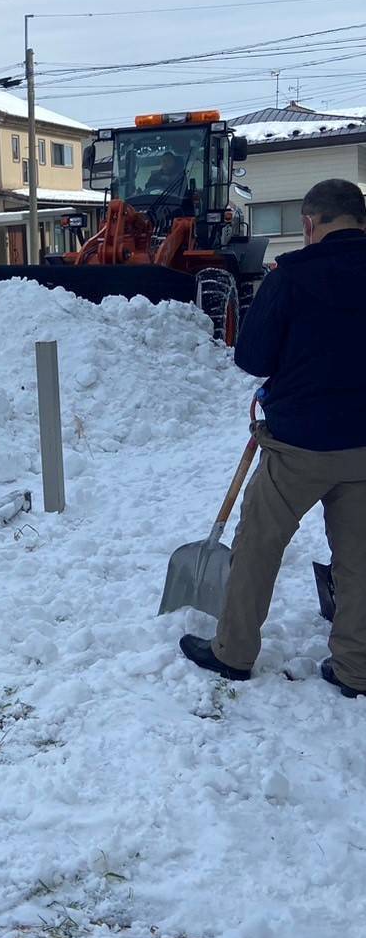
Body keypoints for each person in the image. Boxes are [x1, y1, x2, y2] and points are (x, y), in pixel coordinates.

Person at [180, 178, 366, 698]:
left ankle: (233, 652)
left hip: (299, 445)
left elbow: (252, 358)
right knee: (360, 557)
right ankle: (356, 668)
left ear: (309, 222)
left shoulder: (294, 276)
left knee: (258, 545)